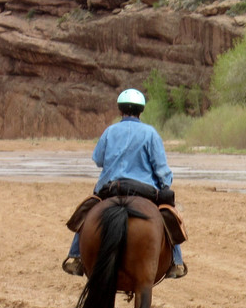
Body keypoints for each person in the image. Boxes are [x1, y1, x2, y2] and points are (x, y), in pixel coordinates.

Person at [62, 88, 186, 279]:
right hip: (145, 190)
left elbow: (98, 160)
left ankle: (76, 257)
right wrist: (165, 183)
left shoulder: (110, 131)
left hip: (111, 187)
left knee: (88, 212)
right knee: (169, 213)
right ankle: (176, 262)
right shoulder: (150, 133)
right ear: (141, 111)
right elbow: (161, 168)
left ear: (120, 110)